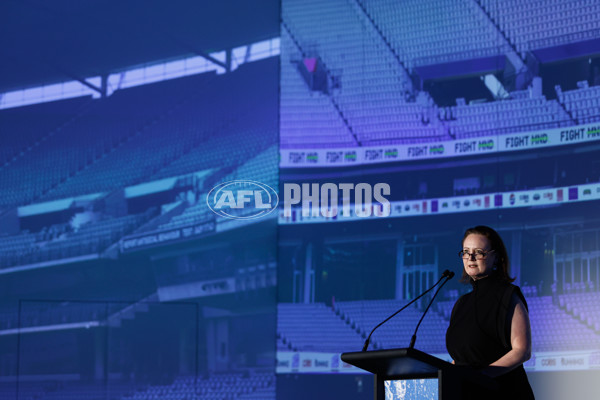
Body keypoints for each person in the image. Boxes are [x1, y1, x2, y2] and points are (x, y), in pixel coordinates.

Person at [446, 225, 535, 399]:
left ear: (496, 257)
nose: (470, 257)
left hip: (504, 392)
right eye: (466, 251)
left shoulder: (508, 295)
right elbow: (460, 358)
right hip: (467, 392)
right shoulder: (461, 304)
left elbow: (522, 350)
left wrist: (482, 376)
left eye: (479, 252)